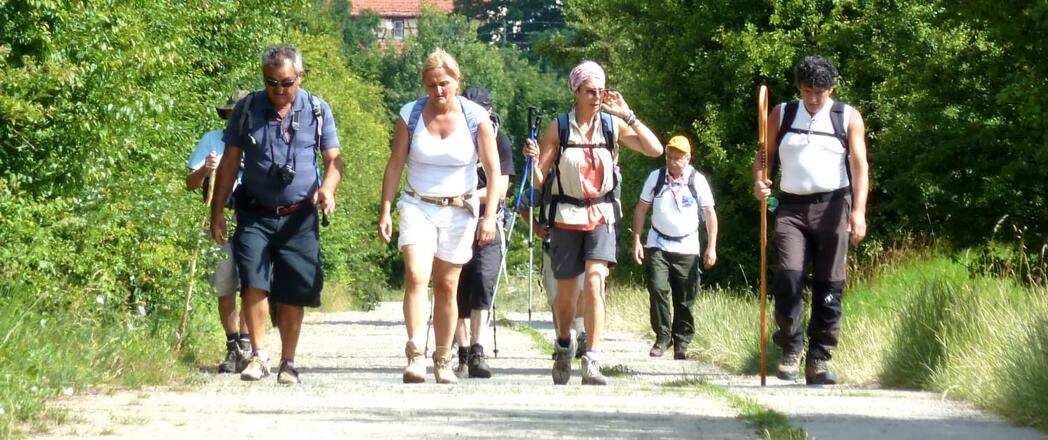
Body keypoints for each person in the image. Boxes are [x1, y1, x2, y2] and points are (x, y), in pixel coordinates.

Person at [210, 44, 343, 385]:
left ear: (300, 76)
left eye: (286, 83)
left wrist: (327, 189)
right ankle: (259, 355)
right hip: (255, 211)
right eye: (271, 83)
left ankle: (288, 361)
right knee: (253, 281)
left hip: (300, 215)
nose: (279, 90)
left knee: (294, 289)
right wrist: (217, 211)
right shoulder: (247, 109)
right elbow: (229, 164)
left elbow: (333, 161)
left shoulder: (317, 109)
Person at [523, 60, 663, 385]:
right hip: (566, 217)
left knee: (596, 283)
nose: (597, 97)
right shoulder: (559, 128)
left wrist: (628, 115)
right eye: (590, 91)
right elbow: (539, 180)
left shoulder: (612, 126)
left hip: (602, 214)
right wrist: (533, 161)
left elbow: (655, 150)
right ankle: (564, 343)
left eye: (600, 91)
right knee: (567, 293)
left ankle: (592, 359)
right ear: (576, 92)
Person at [378, 49, 502, 385]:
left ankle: (443, 358)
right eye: (432, 85)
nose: (438, 91)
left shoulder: (476, 118)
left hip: (459, 209)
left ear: (456, 81)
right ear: (424, 85)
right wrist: (386, 209)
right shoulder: (410, 115)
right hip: (417, 204)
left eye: (444, 83)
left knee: (447, 285)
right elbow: (395, 165)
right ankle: (415, 354)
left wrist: (489, 217)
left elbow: (494, 172)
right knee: (417, 275)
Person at [753, 55, 869, 385]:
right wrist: (759, 181)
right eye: (807, 91)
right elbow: (764, 155)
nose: (813, 99)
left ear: (831, 88)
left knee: (829, 284)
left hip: (834, 206)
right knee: (788, 279)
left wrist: (858, 211)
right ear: (799, 88)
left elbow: (859, 165)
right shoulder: (783, 113)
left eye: (819, 92)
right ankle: (790, 348)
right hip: (790, 208)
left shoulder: (847, 116)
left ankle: (818, 358)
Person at [631, 135, 718, 360]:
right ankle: (662, 336)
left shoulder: (697, 181)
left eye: (677, 158)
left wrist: (711, 247)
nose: (672, 162)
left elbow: (710, 214)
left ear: (688, 158)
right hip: (658, 243)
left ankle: (682, 342)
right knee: (657, 288)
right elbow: (641, 209)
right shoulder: (656, 177)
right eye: (669, 157)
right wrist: (637, 240)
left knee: (685, 296)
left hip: (687, 246)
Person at [185, 90, 252, 374]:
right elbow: (189, 183)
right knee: (224, 284)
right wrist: (205, 169)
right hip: (220, 215)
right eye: (233, 114)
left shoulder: (261, 141)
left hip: (253, 217)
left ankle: (248, 345)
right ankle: (233, 344)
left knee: (252, 284)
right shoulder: (212, 140)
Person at [452, 84, 514, 379]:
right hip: (453, 220)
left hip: (487, 220)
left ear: (489, 111)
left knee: (483, 280)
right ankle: (462, 351)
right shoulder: (450, 136)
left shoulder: (499, 140)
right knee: (454, 286)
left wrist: (464, 196)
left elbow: (499, 191)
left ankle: (478, 350)